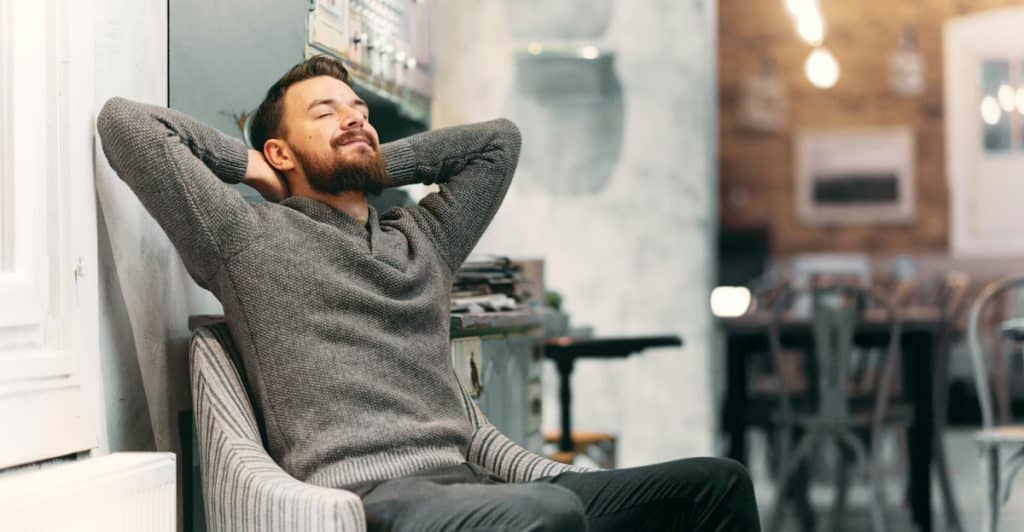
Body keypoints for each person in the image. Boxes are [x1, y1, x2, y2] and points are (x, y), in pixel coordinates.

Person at [98, 55, 760, 531]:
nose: (355, 121)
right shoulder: (243, 235)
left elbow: (497, 144)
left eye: (361, 113)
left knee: (717, 485)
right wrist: (251, 168)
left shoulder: (425, 241)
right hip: (370, 497)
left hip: (471, 487)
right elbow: (125, 126)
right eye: (324, 113)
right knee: (548, 511)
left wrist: (374, 159)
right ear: (280, 151)